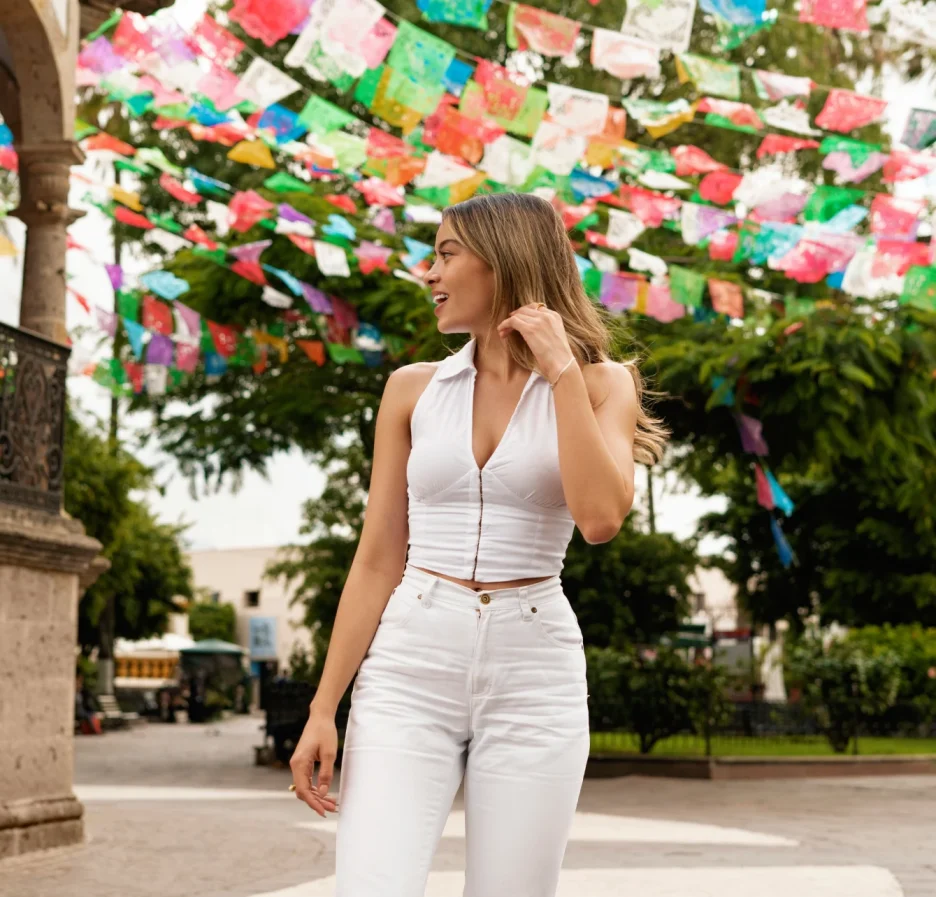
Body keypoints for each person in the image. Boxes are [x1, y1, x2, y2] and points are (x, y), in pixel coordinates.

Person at [288, 193, 668, 895]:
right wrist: (322, 707)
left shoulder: (599, 384)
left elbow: (600, 518)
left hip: (534, 671)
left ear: (503, 261)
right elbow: (377, 558)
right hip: (410, 663)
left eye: (446, 254)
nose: (429, 272)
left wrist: (559, 372)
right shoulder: (410, 390)